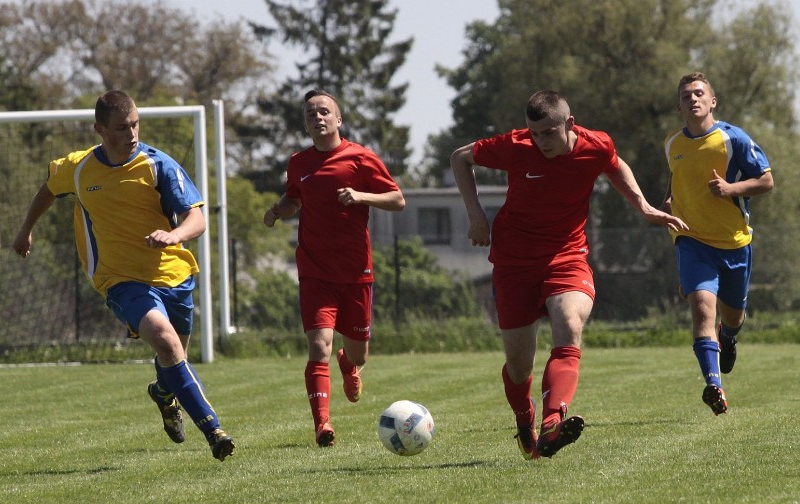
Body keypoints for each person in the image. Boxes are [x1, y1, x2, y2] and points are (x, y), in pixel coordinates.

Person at [450, 89, 688, 460]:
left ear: (570, 124)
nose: (540, 141)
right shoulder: (515, 145)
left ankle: (552, 422)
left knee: (570, 323)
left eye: (548, 132)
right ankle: (524, 417)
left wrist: (642, 205)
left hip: (567, 256)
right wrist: (476, 215)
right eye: (534, 133)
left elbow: (614, 163)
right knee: (518, 366)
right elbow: (459, 158)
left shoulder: (595, 145)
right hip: (514, 263)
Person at [12, 90, 235, 461]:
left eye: (135, 124)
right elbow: (48, 189)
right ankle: (214, 430)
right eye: (121, 127)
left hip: (174, 276)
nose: (132, 133)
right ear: (100, 129)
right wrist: (25, 229)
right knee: (165, 343)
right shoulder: (80, 168)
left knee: (173, 354)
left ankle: (163, 395)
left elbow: (196, 218)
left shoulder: (157, 164)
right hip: (119, 279)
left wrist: (174, 235)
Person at [263, 89, 405, 447]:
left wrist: (362, 196)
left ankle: (349, 363)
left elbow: (397, 199)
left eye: (324, 111)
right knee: (318, 346)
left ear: (338, 119)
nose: (318, 117)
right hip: (314, 270)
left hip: (356, 271)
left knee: (358, 353)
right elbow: (295, 197)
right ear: (306, 123)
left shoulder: (361, 158)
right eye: (311, 114)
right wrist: (279, 210)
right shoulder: (299, 162)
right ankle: (322, 425)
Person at [663, 72, 773, 415]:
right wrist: (669, 202)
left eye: (699, 93)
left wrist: (731, 190)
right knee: (701, 307)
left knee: (733, 316)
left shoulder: (733, 138)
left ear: (712, 101)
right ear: (679, 105)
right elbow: (677, 180)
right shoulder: (672, 144)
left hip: (734, 243)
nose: (692, 99)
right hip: (691, 239)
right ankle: (714, 386)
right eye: (685, 96)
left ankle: (729, 336)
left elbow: (766, 180)